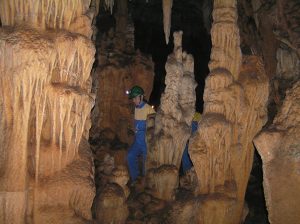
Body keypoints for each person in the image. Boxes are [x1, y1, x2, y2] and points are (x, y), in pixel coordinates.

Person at [126, 85, 155, 184]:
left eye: (135, 98)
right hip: (138, 141)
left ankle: (146, 182)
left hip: (146, 141)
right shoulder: (136, 108)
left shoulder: (149, 109)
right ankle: (135, 178)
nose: (133, 100)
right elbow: (136, 123)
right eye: (133, 98)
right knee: (130, 156)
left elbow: (155, 125)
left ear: (141, 97)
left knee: (146, 162)